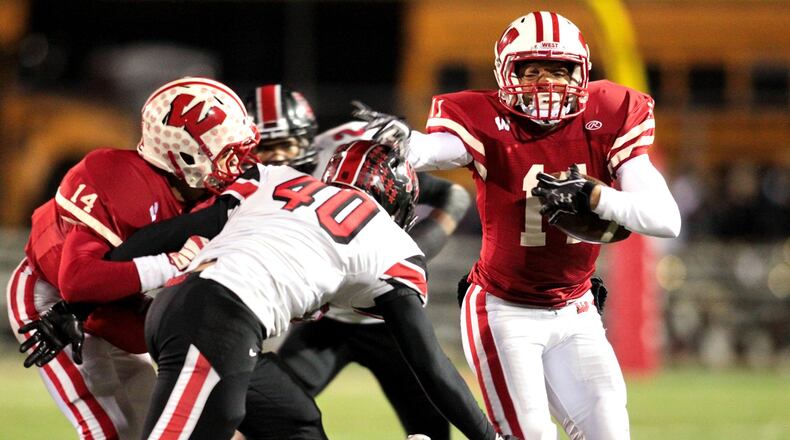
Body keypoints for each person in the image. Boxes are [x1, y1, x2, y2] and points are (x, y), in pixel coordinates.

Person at [359, 11, 681, 440]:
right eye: (532, 70)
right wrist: (406, 142)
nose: (546, 82)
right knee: (530, 435)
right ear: (506, 73)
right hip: (503, 310)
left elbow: (666, 220)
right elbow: (435, 148)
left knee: (610, 431)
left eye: (559, 69)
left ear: (582, 73)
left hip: (576, 310)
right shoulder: (485, 119)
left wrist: (598, 196)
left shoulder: (611, 114)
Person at [101, 140, 514, 440]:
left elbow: (177, 231)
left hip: (192, 309)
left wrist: (93, 282)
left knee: (295, 423)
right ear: (398, 201)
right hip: (218, 323)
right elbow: (430, 365)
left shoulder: (275, 180)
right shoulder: (390, 242)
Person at [7, 76, 260, 439]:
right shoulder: (116, 177)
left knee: (160, 426)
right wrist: (171, 264)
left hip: (122, 303)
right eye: (227, 154)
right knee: (110, 429)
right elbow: (78, 281)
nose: (237, 165)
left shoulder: (204, 194)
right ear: (186, 155)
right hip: (52, 300)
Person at [245, 84, 471, 440]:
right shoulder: (249, 182)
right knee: (261, 416)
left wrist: (410, 254)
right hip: (326, 322)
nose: (275, 160)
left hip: (388, 318)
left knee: (432, 429)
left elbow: (452, 195)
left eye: (284, 145)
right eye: (264, 149)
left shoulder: (346, 154)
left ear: (306, 138)